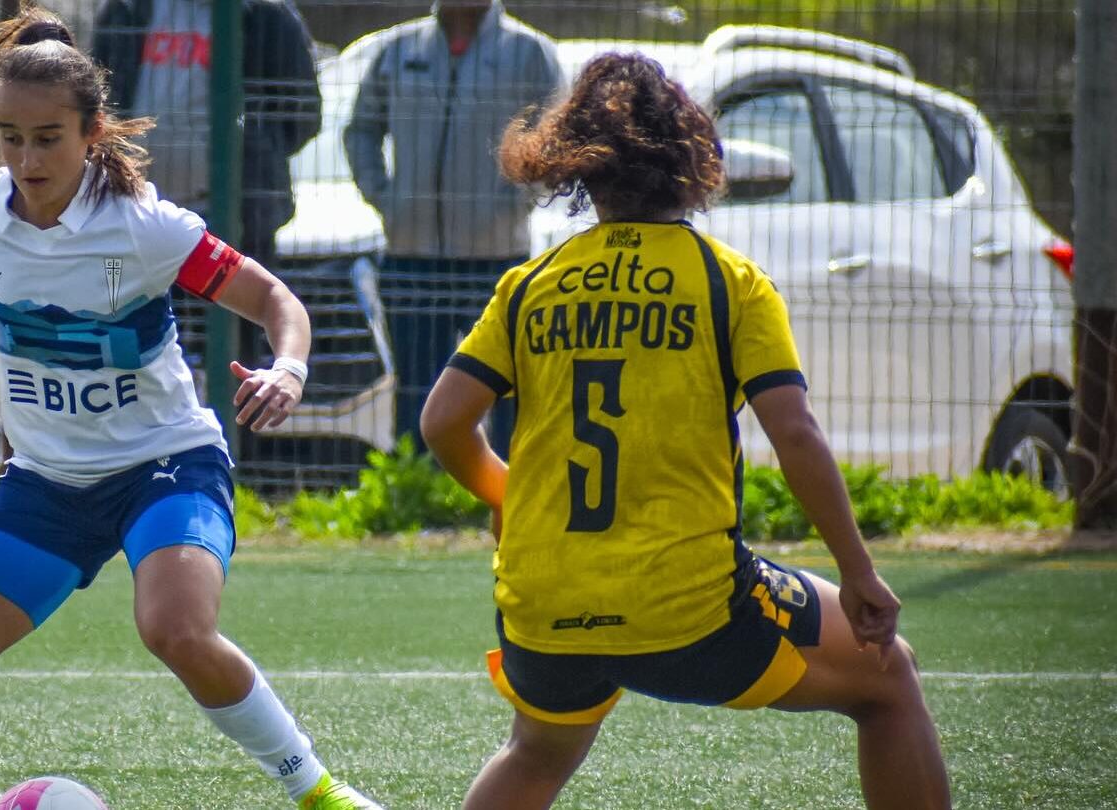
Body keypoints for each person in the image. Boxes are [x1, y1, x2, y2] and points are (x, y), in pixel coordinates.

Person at [0, 11, 381, 810]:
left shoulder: (144, 226)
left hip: (164, 468)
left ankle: (319, 792)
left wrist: (289, 367)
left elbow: (274, 299)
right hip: (45, 484)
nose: (27, 159)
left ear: (92, 132)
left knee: (176, 630)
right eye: (11, 138)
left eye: (48, 138)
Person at [420, 53, 951, 810]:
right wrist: (859, 572)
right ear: (691, 157)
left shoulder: (530, 285)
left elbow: (443, 422)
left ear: (578, 167)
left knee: (535, 753)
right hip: (691, 610)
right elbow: (795, 434)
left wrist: (504, 492)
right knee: (889, 677)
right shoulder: (729, 282)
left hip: (543, 606)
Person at [92, 0, 322, 470]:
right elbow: (97, 104)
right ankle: (129, 465)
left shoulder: (264, 14)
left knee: (234, 350)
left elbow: (302, 116)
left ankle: (234, 467)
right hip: (133, 225)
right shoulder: (127, 10)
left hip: (230, 223)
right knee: (124, 337)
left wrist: (249, 147)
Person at [343, 0, 560, 456]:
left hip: (498, 260)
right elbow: (360, 130)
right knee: (417, 397)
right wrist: (386, 198)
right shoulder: (399, 49)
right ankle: (420, 488)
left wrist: (515, 205)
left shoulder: (530, 52)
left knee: (509, 394)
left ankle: (509, 487)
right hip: (411, 258)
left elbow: (556, 138)